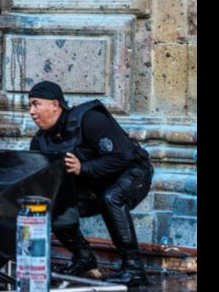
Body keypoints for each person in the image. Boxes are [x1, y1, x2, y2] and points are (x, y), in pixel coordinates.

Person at [27, 81, 153, 287]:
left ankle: (134, 269)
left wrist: (82, 168)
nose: (31, 111)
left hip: (133, 174)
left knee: (111, 197)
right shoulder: (40, 141)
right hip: (94, 185)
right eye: (29, 106)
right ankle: (84, 257)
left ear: (54, 104)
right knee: (51, 203)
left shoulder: (89, 120)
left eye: (35, 104)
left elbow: (123, 155)